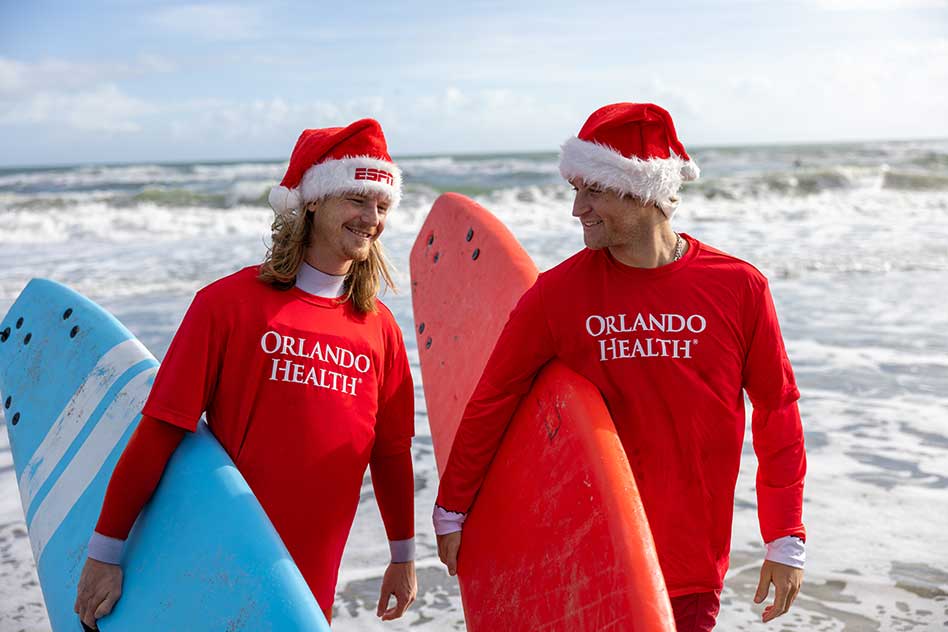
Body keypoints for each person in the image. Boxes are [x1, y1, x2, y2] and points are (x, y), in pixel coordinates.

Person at [432, 103, 807, 631]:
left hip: (691, 564)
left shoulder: (738, 286)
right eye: (576, 190)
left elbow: (777, 410)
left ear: (643, 191)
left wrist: (785, 536)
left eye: (594, 191)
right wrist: (453, 508)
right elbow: (496, 397)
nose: (577, 209)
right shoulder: (557, 296)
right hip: (588, 564)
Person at [74, 119, 418, 629]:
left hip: (310, 583)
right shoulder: (226, 306)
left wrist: (403, 556)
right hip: (221, 560)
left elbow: (389, 453)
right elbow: (162, 429)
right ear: (314, 201)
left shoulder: (380, 329)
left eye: (382, 205)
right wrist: (105, 553)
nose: (372, 218)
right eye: (356, 199)